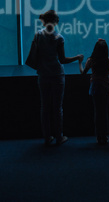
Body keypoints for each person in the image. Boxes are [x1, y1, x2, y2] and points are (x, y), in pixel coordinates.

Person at [28, 10, 83, 147]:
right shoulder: (59, 38)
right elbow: (63, 60)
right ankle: (59, 137)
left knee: (44, 107)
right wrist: (77, 57)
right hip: (57, 75)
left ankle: (47, 137)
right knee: (57, 107)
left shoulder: (38, 35)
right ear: (56, 22)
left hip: (43, 74)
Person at [79, 38, 109, 145]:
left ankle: (98, 136)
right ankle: (105, 136)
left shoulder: (90, 60)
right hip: (105, 87)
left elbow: (83, 73)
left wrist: (80, 63)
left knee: (97, 112)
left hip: (95, 87)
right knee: (104, 111)